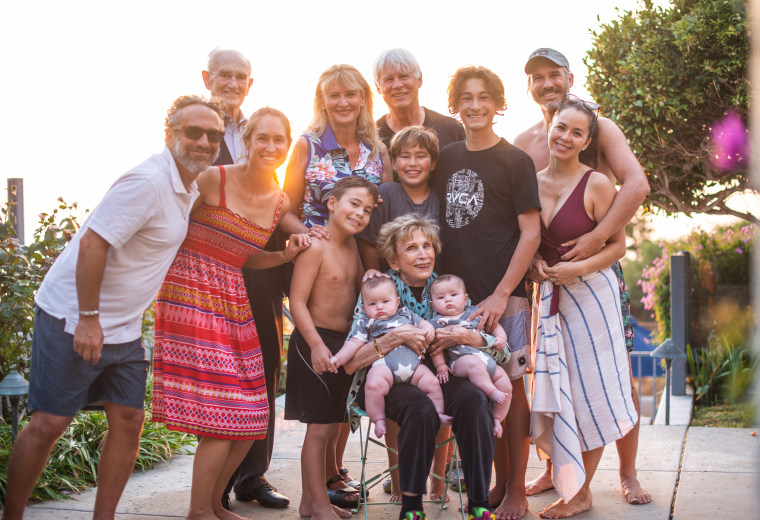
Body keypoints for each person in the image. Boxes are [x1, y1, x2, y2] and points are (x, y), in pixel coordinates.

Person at [2, 95, 223, 520]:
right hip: (74, 315)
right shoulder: (148, 182)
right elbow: (93, 242)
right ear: (170, 135)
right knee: (50, 423)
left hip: (123, 329)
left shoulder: (188, 184)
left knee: (128, 419)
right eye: (194, 131)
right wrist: (88, 320)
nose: (204, 141)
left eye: (213, 135)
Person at [151, 107, 310, 520]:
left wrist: (283, 254)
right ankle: (199, 510)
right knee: (223, 415)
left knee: (254, 412)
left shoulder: (280, 200)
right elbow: (168, 224)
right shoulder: (214, 178)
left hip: (232, 298)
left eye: (279, 140)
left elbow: (241, 256)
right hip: (191, 295)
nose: (271, 147)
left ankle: (211, 504)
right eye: (263, 138)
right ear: (248, 141)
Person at [513, 47, 651, 506]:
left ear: (570, 77)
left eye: (555, 75)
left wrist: (597, 242)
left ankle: (627, 473)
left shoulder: (600, 127)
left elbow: (636, 184)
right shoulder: (525, 142)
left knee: (616, 376)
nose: (548, 83)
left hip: (596, 273)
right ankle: (558, 472)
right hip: (548, 285)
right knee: (554, 376)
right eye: (538, 77)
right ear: (529, 85)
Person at [432, 66, 541, 520]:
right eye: (467, 98)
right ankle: (495, 482)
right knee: (477, 386)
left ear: (498, 104)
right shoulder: (446, 157)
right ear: (456, 104)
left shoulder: (515, 162)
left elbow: (531, 233)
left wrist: (501, 294)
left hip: (504, 297)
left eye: (484, 98)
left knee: (510, 389)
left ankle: (515, 488)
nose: (475, 106)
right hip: (454, 300)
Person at [283, 63, 392, 507]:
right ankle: (319, 493)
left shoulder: (375, 150)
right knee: (320, 417)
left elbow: (377, 209)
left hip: (356, 258)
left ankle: (327, 485)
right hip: (316, 253)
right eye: (334, 96)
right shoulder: (306, 145)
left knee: (342, 402)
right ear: (322, 101)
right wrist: (309, 236)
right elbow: (286, 207)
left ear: (364, 99)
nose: (343, 103)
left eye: (352, 94)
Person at [343, 213, 498, 520]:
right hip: (387, 380)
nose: (423, 253)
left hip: (439, 374)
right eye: (411, 248)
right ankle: (412, 509)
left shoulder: (447, 289)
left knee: (474, 400)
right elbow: (350, 365)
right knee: (419, 407)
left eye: (427, 245)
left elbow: (495, 345)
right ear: (394, 260)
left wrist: (471, 337)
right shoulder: (377, 294)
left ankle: (479, 503)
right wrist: (392, 339)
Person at [529, 95, 636, 519]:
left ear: (587, 140)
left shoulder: (597, 184)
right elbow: (527, 241)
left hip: (593, 298)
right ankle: (569, 484)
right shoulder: (531, 182)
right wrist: (537, 264)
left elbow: (618, 246)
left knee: (592, 393)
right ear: (550, 126)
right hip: (551, 301)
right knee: (560, 391)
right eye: (561, 128)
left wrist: (578, 270)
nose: (566, 137)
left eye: (577, 132)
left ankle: (580, 494)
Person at [201, 47, 291, 511]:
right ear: (207, 77)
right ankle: (212, 485)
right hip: (211, 269)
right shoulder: (197, 130)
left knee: (265, 365)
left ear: (250, 84)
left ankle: (252, 476)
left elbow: (279, 197)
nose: (233, 83)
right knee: (223, 375)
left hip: (259, 266)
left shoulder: (262, 128)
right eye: (224, 75)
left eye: (241, 76)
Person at [285, 177, 379, 520]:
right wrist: (315, 345)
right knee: (319, 429)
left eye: (367, 210)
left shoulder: (355, 248)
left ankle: (310, 504)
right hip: (316, 343)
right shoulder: (315, 246)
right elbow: (296, 301)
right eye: (353, 203)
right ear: (332, 203)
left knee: (335, 424)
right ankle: (320, 505)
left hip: (344, 347)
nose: (359, 213)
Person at [331, 276, 449, 438]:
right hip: (384, 366)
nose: (379, 307)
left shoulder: (406, 313)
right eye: (373, 304)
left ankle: (438, 413)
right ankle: (378, 419)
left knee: (432, 383)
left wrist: (428, 328)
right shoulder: (367, 324)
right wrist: (338, 359)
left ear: (397, 301)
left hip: (413, 367)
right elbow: (353, 344)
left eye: (385, 301)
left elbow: (423, 323)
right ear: (364, 307)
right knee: (373, 385)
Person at [429, 274, 512, 438]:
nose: (448, 300)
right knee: (473, 364)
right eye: (441, 297)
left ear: (465, 298)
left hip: (487, 360)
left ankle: (496, 418)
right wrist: (440, 366)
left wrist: (501, 338)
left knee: (506, 384)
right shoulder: (437, 322)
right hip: (461, 362)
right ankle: (492, 392)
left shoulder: (474, 312)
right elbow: (435, 347)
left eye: (453, 295)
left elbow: (494, 326)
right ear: (432, 304)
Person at [373, 48, 465, 150]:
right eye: (389, 79)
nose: (397, 85)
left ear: (419, 79)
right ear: (378, 87)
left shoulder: (452, 130)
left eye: (403, 76)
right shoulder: (371, 138)